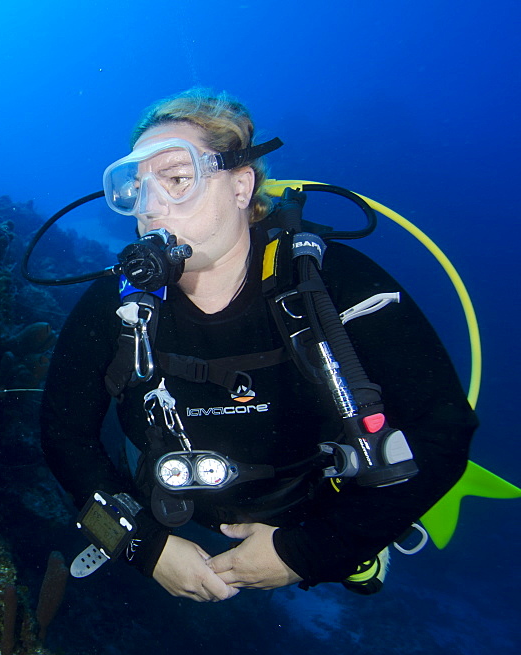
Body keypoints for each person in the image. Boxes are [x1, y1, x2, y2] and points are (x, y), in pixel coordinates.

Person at [40, 88, 477, 602]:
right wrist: (142, 546)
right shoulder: (115, 304)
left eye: (177, 180)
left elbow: (443, 432)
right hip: (169, 511)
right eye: (137, 189)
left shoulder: (325, 281)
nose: (151, 208)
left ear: (241, 185)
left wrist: (313, 550)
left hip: (315, 508)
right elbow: (62, 436)